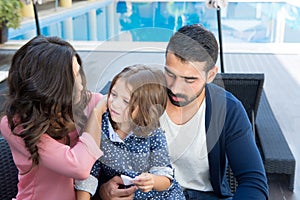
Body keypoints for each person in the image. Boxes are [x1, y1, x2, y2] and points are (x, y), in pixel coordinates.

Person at [98, 24, 269, 199]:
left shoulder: (228, 110)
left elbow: (253, 181)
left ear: (210, 75)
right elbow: (103, 149)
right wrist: (102, 191)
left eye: (189, 79)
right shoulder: (142, 95)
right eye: (170, 74)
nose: (175, 88)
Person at [0, 36, 103, 200]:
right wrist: (96, 115)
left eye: (78, 73)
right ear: (49, 86)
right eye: (70, 78)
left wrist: (108, 186)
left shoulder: (90, 102)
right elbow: (79, 166)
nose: (80, 83)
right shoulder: (15, 126)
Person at [75, 65, 185, 200]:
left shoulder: (153, 132)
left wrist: (152, 180)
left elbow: (165, 176)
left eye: (126, 101)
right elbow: (88, 175)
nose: (115, 104)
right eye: (113, 95)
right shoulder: (101, 128)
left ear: (145, 109)